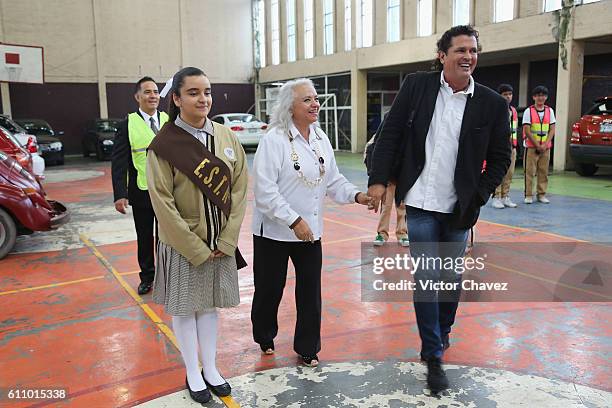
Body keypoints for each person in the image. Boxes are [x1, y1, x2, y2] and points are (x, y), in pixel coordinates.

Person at [367, 25, 510, 393]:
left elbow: (500, 157)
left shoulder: (492, 104)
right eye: (460, 49)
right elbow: (391, 133)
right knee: (428, 276)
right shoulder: (418, 86)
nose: (468, 56)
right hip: (419, 202)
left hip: (460, 208)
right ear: (442, 55)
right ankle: (433, 354)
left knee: (450, 280)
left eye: (474, 50)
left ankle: (442, 331)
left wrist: (477, 196)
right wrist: (378, 180)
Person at [251, 78, 371, 367]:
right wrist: (294, 221)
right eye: (306, 99)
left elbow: (332, 180)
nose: (315, 103)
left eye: (315, 98)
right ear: (289, 106)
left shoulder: (320, 137)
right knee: (269, 290)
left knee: (310, 293)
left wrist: (357, 195)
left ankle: (308, 347)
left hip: (310, 233)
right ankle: (264, 335)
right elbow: (265, 191)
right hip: (275, 233)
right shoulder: (274, 139)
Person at [146, 67, 248, 404]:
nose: (202, 98)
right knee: (185, 309)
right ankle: (192, 370)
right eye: (193, 92)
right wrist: (195, 247)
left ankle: (212, 368)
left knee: (209, 308)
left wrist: (227, 239)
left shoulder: (226, 136)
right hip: (184, 245)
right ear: (176, 99)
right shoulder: (163, 145)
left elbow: (240, 189)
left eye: (206, 91)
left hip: (221, 243)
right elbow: (161, 202)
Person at [111, 76, 169, 295]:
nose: (153, 95)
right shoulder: (127, 124)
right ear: (137, 97)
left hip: (167, 191)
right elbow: (119, 161)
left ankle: (167, 276)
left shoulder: (169, 119)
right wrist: (120, 194)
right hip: (141, 191)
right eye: (147, 92)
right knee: (145, 237)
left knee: (167, 238)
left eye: (155, 91)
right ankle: (147, 277)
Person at [364, 133, 409, 246]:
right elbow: (370, 149)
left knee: (402, 207)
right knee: (386, 206)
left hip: (402, 177)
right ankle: (382, 234)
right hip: (388, 177)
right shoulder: (384, 131)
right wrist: (374, 175)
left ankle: (402, 234)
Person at [523, 85, 556, 204]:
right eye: (538, 95)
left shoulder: (550, 111)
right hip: (532, 147)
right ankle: (528, 195)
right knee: (530, 172)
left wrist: (545, 144)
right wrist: (537, 145)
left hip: (545, 148)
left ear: (546, 97)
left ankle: (541, 194)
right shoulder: (529, 111)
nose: (540, 98)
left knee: (544, 171)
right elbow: (527, 130)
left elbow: (552, 129)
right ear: (534, 97)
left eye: (543, 95)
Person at [491, 84, 519, 209]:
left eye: (510, 94)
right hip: (500, 147)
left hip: (511, 147)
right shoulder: (496, 109)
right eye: (505, 94)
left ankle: (505, 196)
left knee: (510, 172)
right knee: (498, 172)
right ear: (500, 95)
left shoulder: (513, 110)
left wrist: (515, 145)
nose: (508, 96)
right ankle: (496, 197)